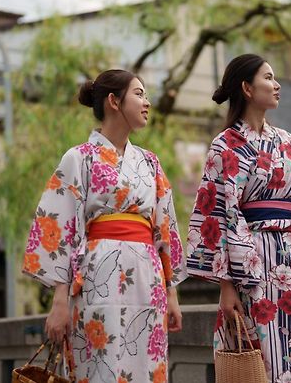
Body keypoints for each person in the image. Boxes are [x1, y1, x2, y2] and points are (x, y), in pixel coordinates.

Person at [186, 54, 291, 382]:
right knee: (261, 355)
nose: (277, 85)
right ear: (247, 88)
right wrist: (226, 285)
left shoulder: (288, 143)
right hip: (252, 263)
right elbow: (219, 215)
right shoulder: (225, 145)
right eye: (269, 78)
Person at [23, 69, 188, 383]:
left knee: (147, 368)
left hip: (146, 280)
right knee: (99, 367)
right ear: (114, 101)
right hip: (97, 278)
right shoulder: (78, 159)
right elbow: (61, 229)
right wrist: (59, 302)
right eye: (139, 94)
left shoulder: (150, 163)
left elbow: (164, 228)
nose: (147, 102)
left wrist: (172, 294)